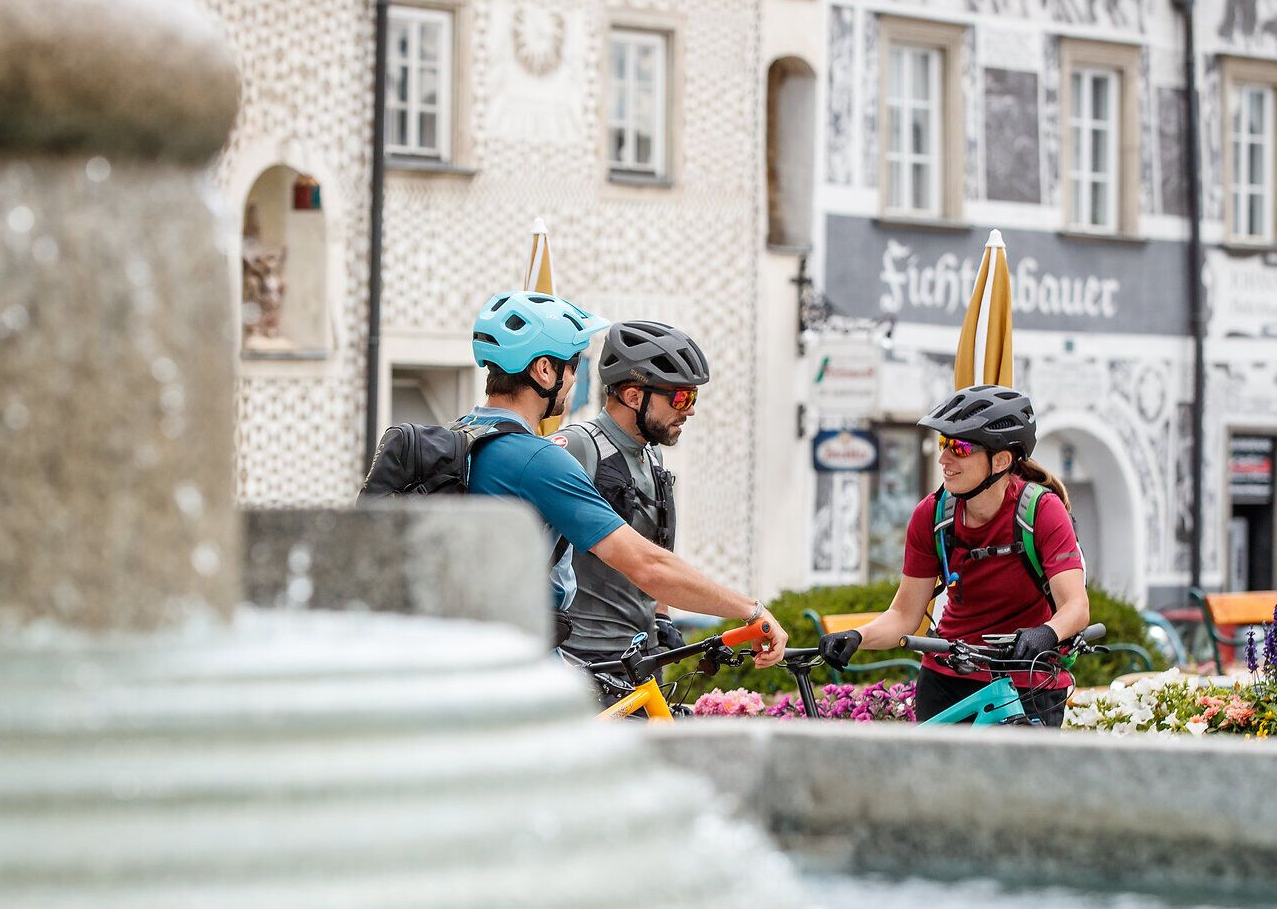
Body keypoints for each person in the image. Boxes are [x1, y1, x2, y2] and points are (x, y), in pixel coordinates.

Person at [461, 291, 787, 678]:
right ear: (544, 370)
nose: (575, 379)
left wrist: (662, 620)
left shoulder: (467, 436)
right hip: (572, 661)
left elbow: (654, 550)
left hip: (516, 657)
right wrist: (752, 610)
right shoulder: (548, 455)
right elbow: (647, 565)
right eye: (572, 364)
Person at [819, 385, 1089, 726]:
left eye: (960, 447)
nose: (944, 459)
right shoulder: (931, 516)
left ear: (1001, 460)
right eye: (945, 445)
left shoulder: (1042, 511)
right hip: (947, 675)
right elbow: (904, 615)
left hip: (1026, 680)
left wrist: (1046, 632)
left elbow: (1076, 607)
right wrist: (858, 636)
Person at [551, 320, 707, 668]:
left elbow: (657, 546)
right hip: (585, 659)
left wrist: (663, 616)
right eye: (682, 396)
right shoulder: (577, 446)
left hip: (642, 654)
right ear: (634, 396)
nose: (691, 409)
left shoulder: (652, 453)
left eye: (693, 396)